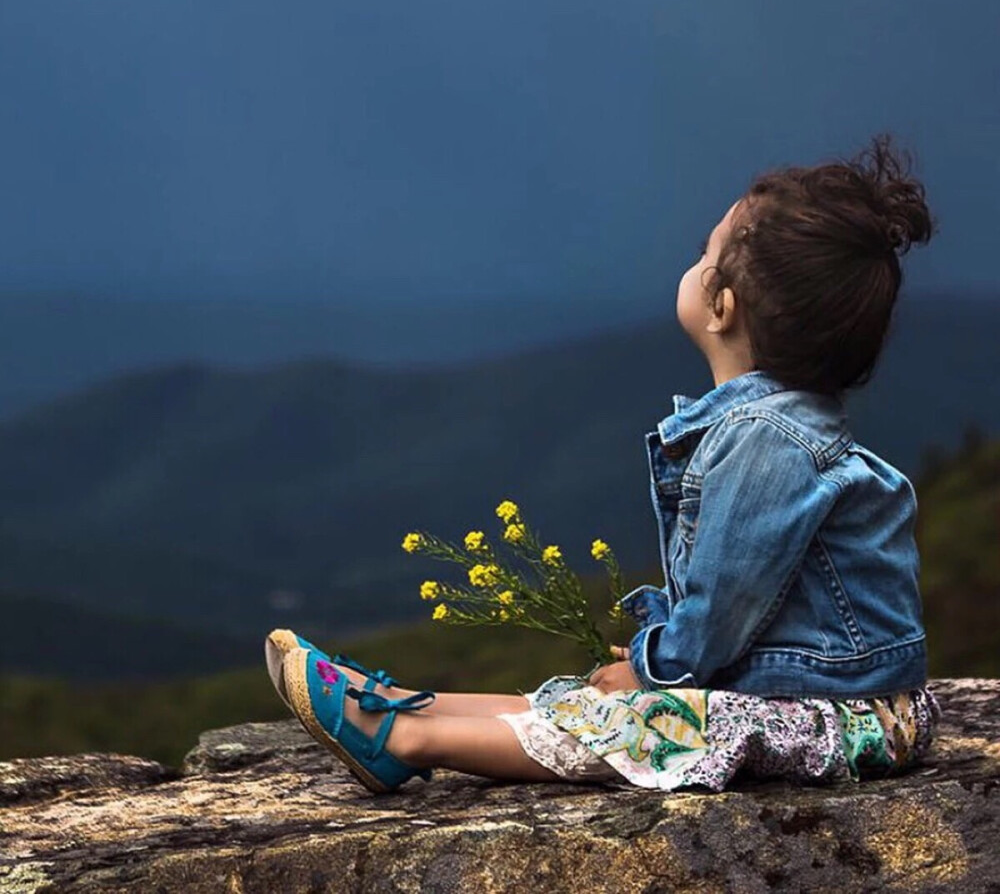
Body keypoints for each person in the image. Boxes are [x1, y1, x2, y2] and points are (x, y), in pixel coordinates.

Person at [265, 131, 940, 794]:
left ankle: (408, 738)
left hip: (848, 717)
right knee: (600, 703)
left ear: (721, 306)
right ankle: (408, 703)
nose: (694, 259)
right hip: (826, 695)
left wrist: (657, 670)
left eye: (702, 252)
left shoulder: (765, 440)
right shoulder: (771, 428)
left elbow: (723, 606)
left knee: (649, 723)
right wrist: (659, 663)